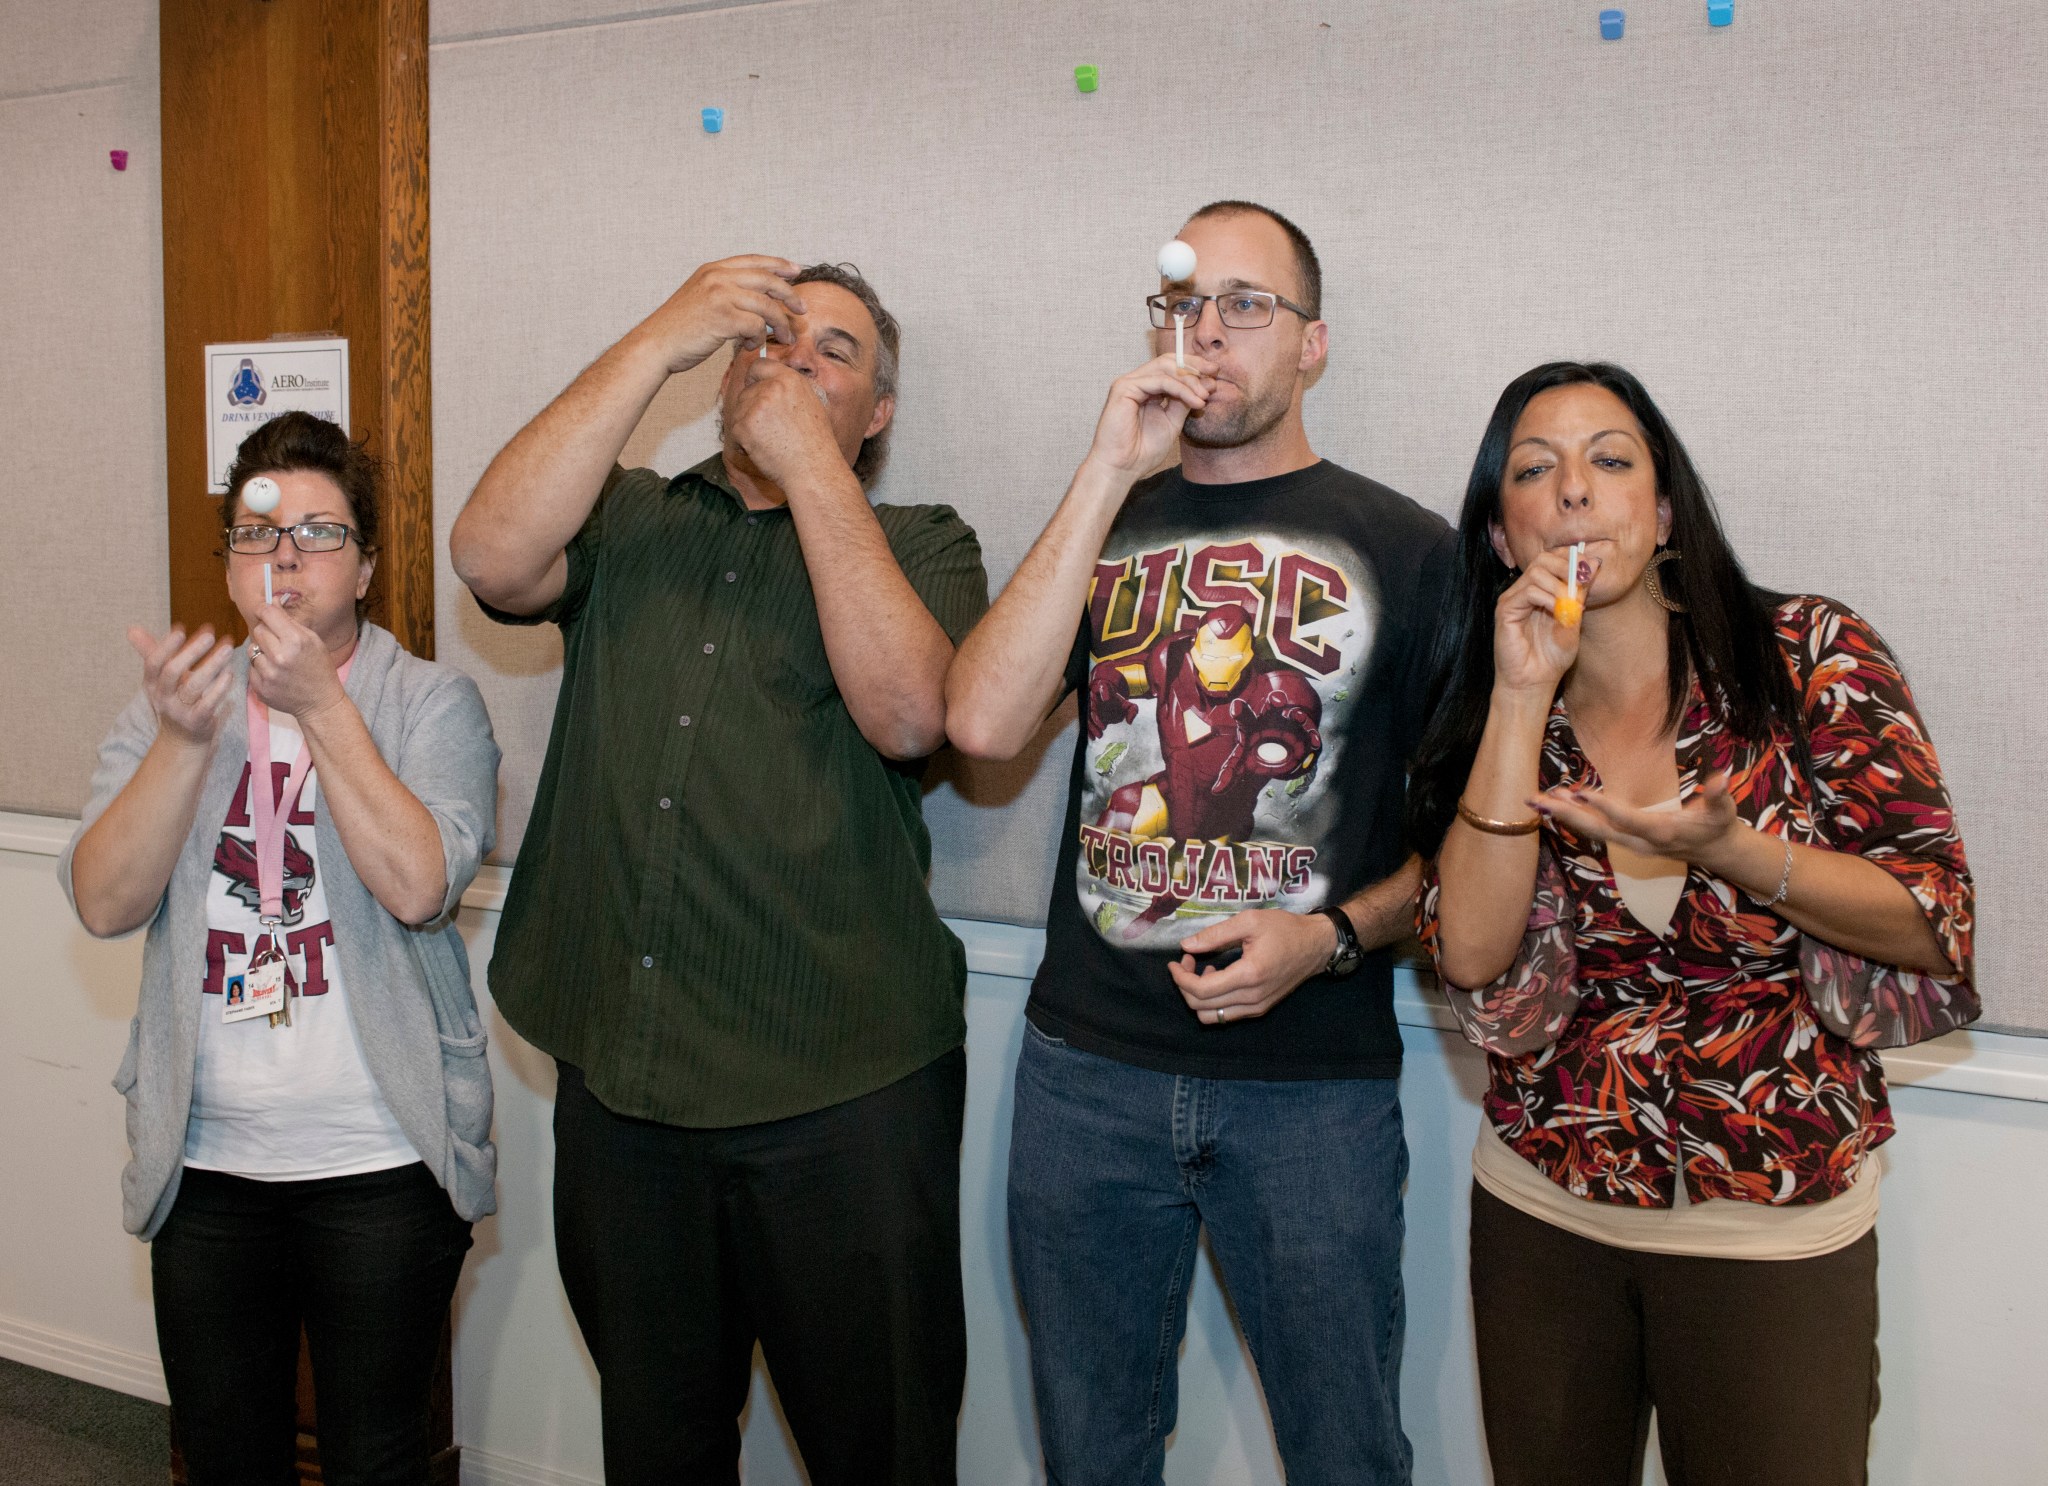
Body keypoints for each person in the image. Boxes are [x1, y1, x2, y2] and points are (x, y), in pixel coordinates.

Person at [450, 257, 988, 1485]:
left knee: (882, 1448)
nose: (792, 362)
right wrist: (659, 336)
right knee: (658, 1443)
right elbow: (488, 555)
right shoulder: (631, 513)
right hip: (627, 1097)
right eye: (769, 338)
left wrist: (807, 466)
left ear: (880, 411)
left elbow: (912, 715)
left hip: (843, 1095)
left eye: (832, 351)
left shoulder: (921, 540)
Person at [947, 202, 1456, 1484]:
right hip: (1083, 1071)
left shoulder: (1409, 550)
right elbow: (980, 723)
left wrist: (1330, 935)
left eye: (1247, 305)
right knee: (1091, 1454)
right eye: (1185, 306)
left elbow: (1473, 843)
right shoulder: (1102, 522)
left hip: (1311, 1088)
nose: (1210, 334)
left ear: (1313, 345)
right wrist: (1108, 468)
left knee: (1347, 1453)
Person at [1408, 361, 1978, 1486]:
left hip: (1770, 1224)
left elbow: (1930, 919)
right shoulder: (1485, 695)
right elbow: (1470, 954)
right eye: (1534, 471)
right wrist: (1521, 697)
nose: (1574, 492)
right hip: (1544, 1212)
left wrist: (1729, 851)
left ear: (1662, 512)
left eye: (1610, 461)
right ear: (1496, 530)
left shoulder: (1807, 654)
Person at [61, 411, 501, 1485]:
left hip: (381, 1164)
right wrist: (180, 740)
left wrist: (321, 712)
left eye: (318, 532)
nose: (286, 557)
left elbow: (417, 884)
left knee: (378, 1456)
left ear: (365, 566)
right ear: (229, 563)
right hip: (206, 1166)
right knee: (221, 1456)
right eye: (258, 534)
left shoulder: (429, 700)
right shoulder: (178, 703)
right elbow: (104, 901)